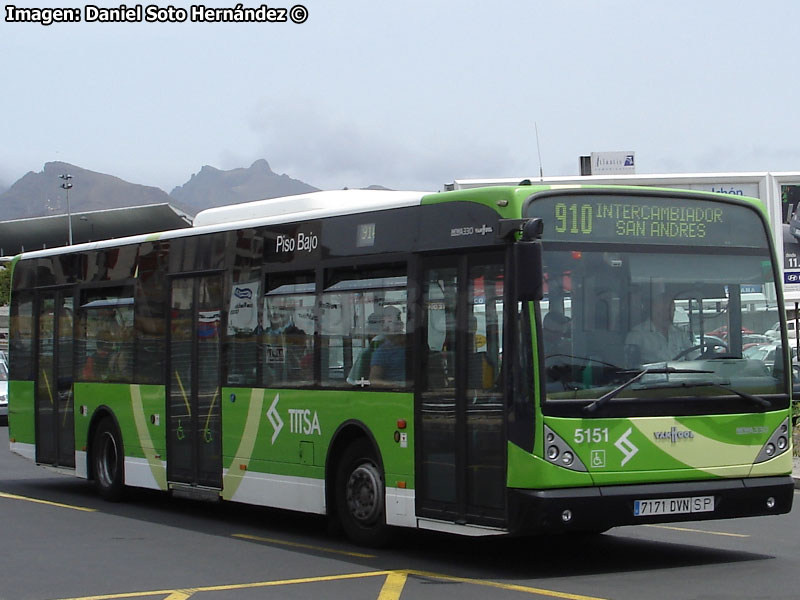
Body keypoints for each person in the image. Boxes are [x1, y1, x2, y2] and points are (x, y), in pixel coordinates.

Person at [625, 295, 690, 365]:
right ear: (654, 311)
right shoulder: (637, 335)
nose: (671, 315)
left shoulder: (680, 334)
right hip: (649, 375)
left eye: (673, 310)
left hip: (681, 374)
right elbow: (630, 365)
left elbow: (694, 356)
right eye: (667, 310)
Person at [369, 305, 406, 386]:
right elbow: (374, 381)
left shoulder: (413, 344)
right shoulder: (382, 352)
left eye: (397, 322)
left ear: (401, 325)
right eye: (389, 322)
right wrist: (399, 385)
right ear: (383, 327)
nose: (396, 325)